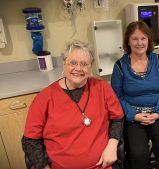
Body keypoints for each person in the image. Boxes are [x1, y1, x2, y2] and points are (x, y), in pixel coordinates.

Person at [21, 40, 124, 169]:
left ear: (90, 67)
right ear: (64, 63)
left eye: (84, 64)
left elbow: (118, 118)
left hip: (102, 166)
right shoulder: (44, 98)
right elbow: (31, 140)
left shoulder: (102, 88)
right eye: (73, 63)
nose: (78, 68)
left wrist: (112, 145)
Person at [111, 21, 159, 169]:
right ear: (128, 41)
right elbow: (117, 96)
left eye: (143, 38)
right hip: (133, 116)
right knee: (138, 154)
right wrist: (133, 115)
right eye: (135, 38)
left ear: (149, 40)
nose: (139, 43)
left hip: (156, 113)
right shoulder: (120, 66)